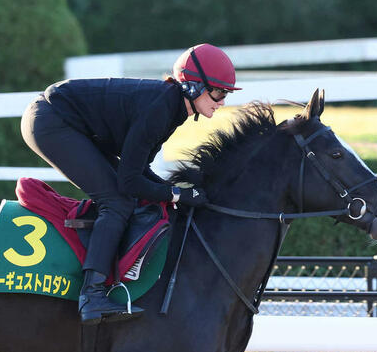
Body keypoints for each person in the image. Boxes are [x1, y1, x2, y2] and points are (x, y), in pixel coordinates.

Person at [20, 43, 242, 325]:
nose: (222, 101)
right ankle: (92, 294)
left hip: (66, 121)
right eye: (219, 92)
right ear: (194, 86)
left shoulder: (172, 109)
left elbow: (138, 171)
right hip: (51, 120)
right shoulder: (161, 108)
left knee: (126, 196)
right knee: (117, 201)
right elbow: (129, 182)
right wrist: (177, 195)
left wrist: (176, 193)